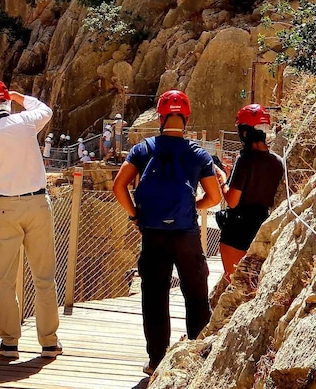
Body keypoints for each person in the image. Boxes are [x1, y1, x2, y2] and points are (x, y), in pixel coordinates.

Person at [111, 89, 222, 375]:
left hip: (152, 233)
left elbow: (118, 187)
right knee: (195, 294)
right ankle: (197, 356)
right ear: (185, 117)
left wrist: (136, 215)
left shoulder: (143, 149)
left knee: (154, 295)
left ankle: (155, 360)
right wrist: (194, 206)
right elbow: (215, 197)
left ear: (161, 117)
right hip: (186, 233)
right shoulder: (197, 153)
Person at [0, 79, 62, 359]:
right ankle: (49, 342)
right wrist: (20, 96)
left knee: (5, 278)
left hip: (4, 208)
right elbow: (45, 109)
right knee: (44, 276)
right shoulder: (26, 121)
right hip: (36, 203)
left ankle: (10, 342)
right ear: (7, 102)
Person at [217, 104, 285, 280]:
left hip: (237, 229)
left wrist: (223, 180)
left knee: (234, 282)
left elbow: (232, 200)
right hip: (262, 225)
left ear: (245, 132)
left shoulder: (245, 160)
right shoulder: (278, 162)